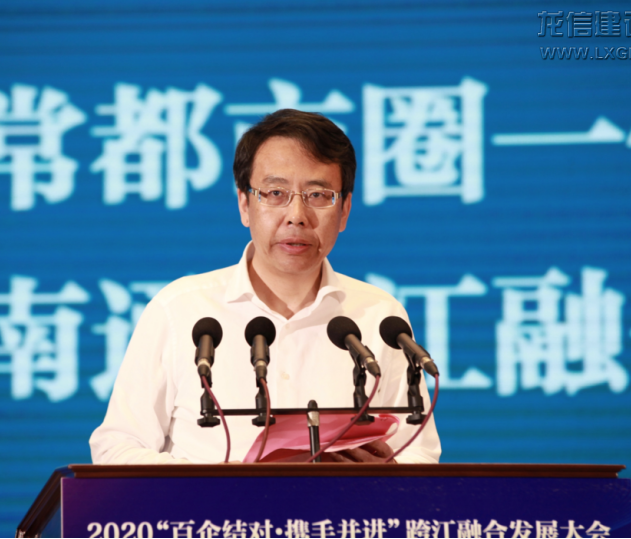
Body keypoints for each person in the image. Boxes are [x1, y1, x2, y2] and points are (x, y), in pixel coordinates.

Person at [90, 109, 441, 464]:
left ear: (345, 210)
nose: (297, 216)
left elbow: (420, 452)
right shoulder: (180, 310)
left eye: (318, 195)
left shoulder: (379, 316)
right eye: (275, 192)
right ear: (244, 204)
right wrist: (217, 487)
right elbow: (117, 447)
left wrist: (384, 477)